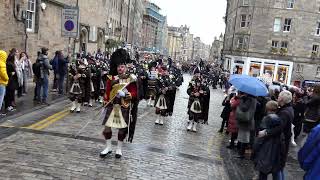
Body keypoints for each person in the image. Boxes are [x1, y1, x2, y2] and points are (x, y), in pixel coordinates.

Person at [100, 48, 138, 158]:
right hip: (112, 105)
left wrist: (126, 94)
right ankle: (108, 147)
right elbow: (107, 92)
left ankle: (119, 149)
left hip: (123, 105)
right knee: (107, 127)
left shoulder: (130, 79)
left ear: (125, 67)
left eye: (122, 67)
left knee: (122, 129)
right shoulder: (111, 78)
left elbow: (134, 93)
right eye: (118, 66)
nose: (120, 69)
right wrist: (105, 101)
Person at [259, 90, 294, 179]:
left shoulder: (284, 112)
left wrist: (266, 132)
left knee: (278, 168)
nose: (277, 98)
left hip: (280, 142)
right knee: (278, 167)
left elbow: (279, 128)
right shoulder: (287, 109)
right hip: (282, 141)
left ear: (282, 99)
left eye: (278, 97)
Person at [254, 101, 284, 180]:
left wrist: (255, 149)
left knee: (263, 173)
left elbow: (260, 139)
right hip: (275, 150)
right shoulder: (279, 121)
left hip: (265, 149)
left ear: (267, 109)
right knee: (273, 170)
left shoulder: (266, 120)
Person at [236, 92, 257, 159]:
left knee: (244, 138)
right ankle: (241, 152)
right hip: (248, 120)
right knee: (244, 138)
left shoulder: (250, 99)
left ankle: (242, 153)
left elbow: (244, 108)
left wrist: (241, 100)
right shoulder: (253, 99)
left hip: (246, 121)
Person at [0, 50, 9, 115]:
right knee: (1, 97)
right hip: (1, 83)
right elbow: (3, 73)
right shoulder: (2, 63)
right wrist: (7, 78)